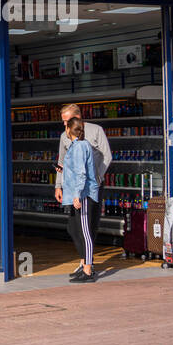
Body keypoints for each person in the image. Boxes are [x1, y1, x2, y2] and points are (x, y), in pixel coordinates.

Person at [54, 103, 111, 274]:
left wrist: (98, 177)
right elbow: (61, 162)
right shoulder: (64, 136)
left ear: (78, 117)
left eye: (67, 121)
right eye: (63, 121)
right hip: (73, 188)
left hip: (91, 187)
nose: (64, 125)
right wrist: (58, 185)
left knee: (89, 225)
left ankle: (87, 265)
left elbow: (107, 155)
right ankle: (85, 261)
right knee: (73, 227)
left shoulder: (96, 131)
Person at [62, 117, 100, 283]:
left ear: (70, 129)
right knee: (79, 230)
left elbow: (81, 173)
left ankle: (88, 270)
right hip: (81, 192)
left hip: (83, 194)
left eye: (66, 125)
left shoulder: (78, 147)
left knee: (85, 233)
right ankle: (85, 265)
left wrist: (77, 194)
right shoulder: (79, 145)